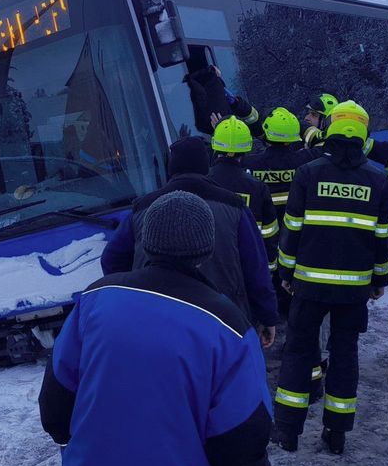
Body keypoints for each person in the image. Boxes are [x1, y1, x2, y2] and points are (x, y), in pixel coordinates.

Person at [40, 191, 287, 466]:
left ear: (145, 241)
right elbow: (242, 440)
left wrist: (80, 456)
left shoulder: (96, 299)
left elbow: (56, 401)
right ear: (206, 251)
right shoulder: (229, 330)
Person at [272, 101, 388, 455]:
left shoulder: (308, 173)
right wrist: (379, 280)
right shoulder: (378, 178)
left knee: (298, 352)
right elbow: (382, 237)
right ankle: (336, 432)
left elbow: (291, 230)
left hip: (308, 286)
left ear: (332, 128)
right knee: (345, 355)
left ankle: (288, 432)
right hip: (353, 291)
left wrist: (286, 273)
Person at [101, 136, 281, 344]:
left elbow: (111, 260)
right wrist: (267, 316)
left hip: (155, 318)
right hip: (223, 319)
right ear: (206, 166)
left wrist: (134, 294)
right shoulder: (235, 207)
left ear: (171, 167)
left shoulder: (142, 208)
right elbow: (255, 269)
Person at [243, 107, 318, 321]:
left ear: (266, 133)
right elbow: (324, 145)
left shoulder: (251, 164)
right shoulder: (305, 161)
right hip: (297, 240)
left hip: (265, 240)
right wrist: (306, 129)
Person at [209, 118, 280, 272]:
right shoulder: (257, 187)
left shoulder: (203, 180)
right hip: (246, 267)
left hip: (210, 267)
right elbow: (269, 234)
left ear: (215, 144)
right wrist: (269, 269)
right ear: (247, 147)